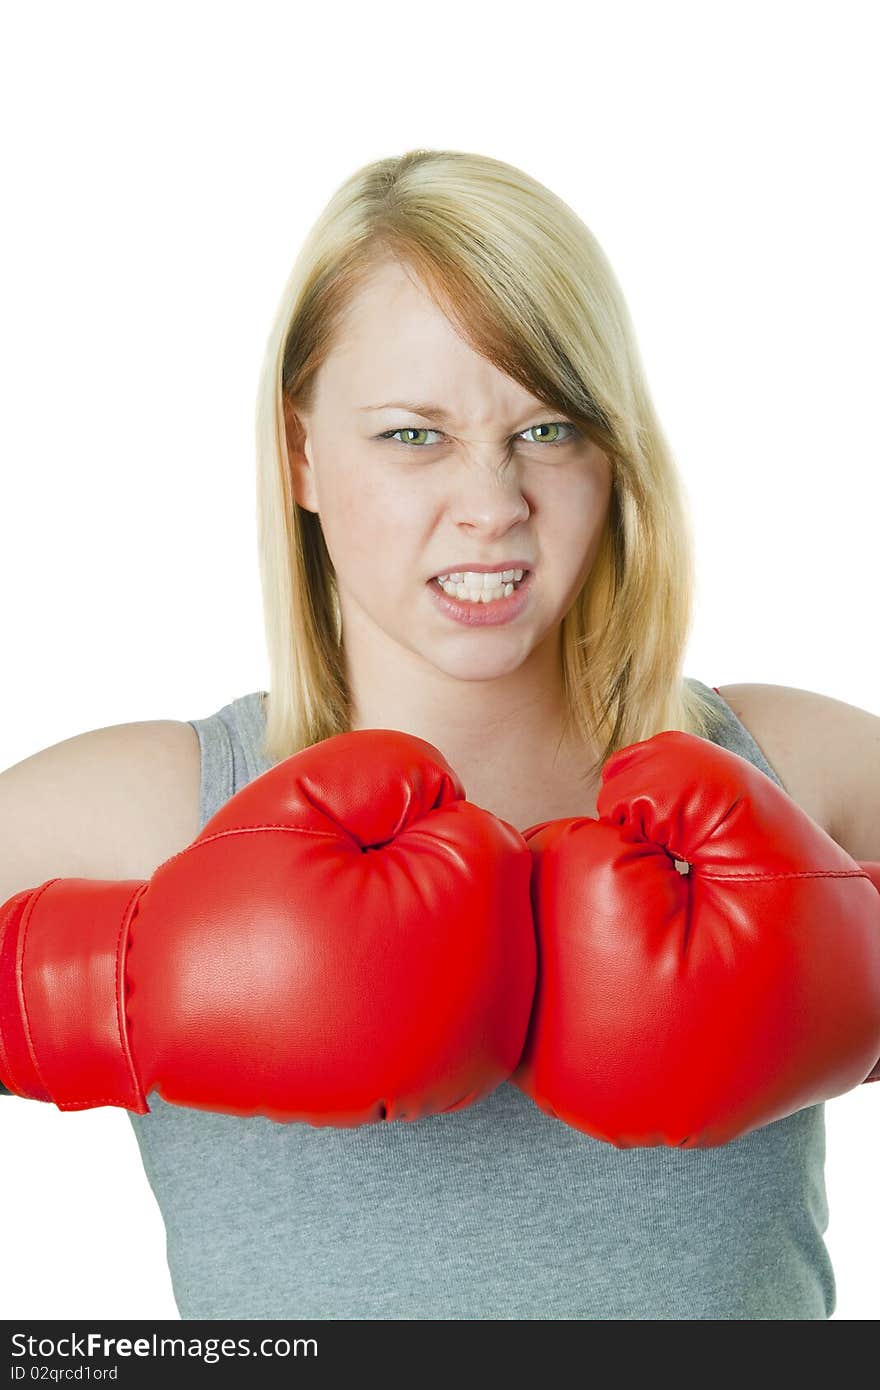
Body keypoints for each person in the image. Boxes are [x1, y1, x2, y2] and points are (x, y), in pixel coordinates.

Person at [2, 147, 878, 1320]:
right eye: (413, 434)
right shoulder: (162, 812)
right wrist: (120, 983)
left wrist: (850, 990)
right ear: (302, 454)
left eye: (547, 428)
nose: (492, 503)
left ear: (613, 451)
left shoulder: (787, 771)